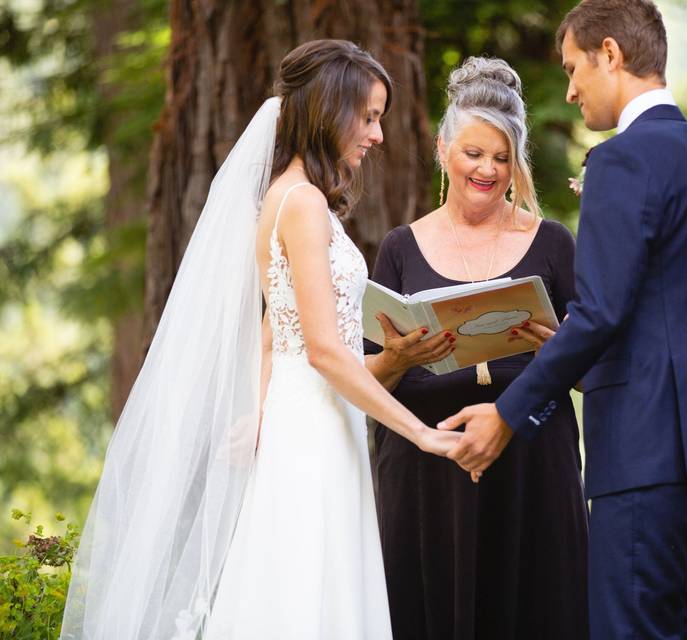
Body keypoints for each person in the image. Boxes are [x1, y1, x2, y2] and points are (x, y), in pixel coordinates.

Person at [60, 40, 460, 640]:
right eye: (369, 117)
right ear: (330, 108)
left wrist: (263, 404)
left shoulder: (297, 199)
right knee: (303, 593)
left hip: (312, 421)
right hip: (312, 431)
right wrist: (421, 432)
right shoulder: (300, 203)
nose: (377, 136)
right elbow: (324, 351)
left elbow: (278, 329)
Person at [438, 2, 687, 638]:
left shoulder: (621, 161)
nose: (570, 90)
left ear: (610, 54)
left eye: (574, 68)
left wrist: (509, 413)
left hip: (637, 457)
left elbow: (598, 313)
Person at [364, 57, 588, 640]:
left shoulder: (554, 244)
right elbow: (363, 381)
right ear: (443, 150)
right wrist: (399, 357)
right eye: (473, 154)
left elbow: (596, 370)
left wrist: (559, 351)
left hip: (533, 461)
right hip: (424, 471)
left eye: (502, 157)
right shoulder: (399, 249)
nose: (487, 170)